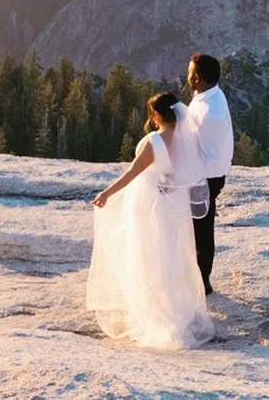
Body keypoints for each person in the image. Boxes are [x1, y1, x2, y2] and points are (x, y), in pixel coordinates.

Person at [85, 92, 215, 350]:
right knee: (169, 256)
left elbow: (133, 172)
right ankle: (175, 310)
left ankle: (153, 313)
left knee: (146, 256)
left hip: (149, 206)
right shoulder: (188, 138)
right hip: (173, 205)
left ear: (157, 114)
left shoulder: (155, 141)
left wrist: (106, 193)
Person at [182, 53, 234, 294]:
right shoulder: (208, 96)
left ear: (197, 78)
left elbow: (199, 151)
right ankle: (197, 277)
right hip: (206, 174)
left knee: (201, 228)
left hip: (205, 177)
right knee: (199, 225)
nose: (187, 73)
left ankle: (202, 281)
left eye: (190, 70)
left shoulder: (208, 112)